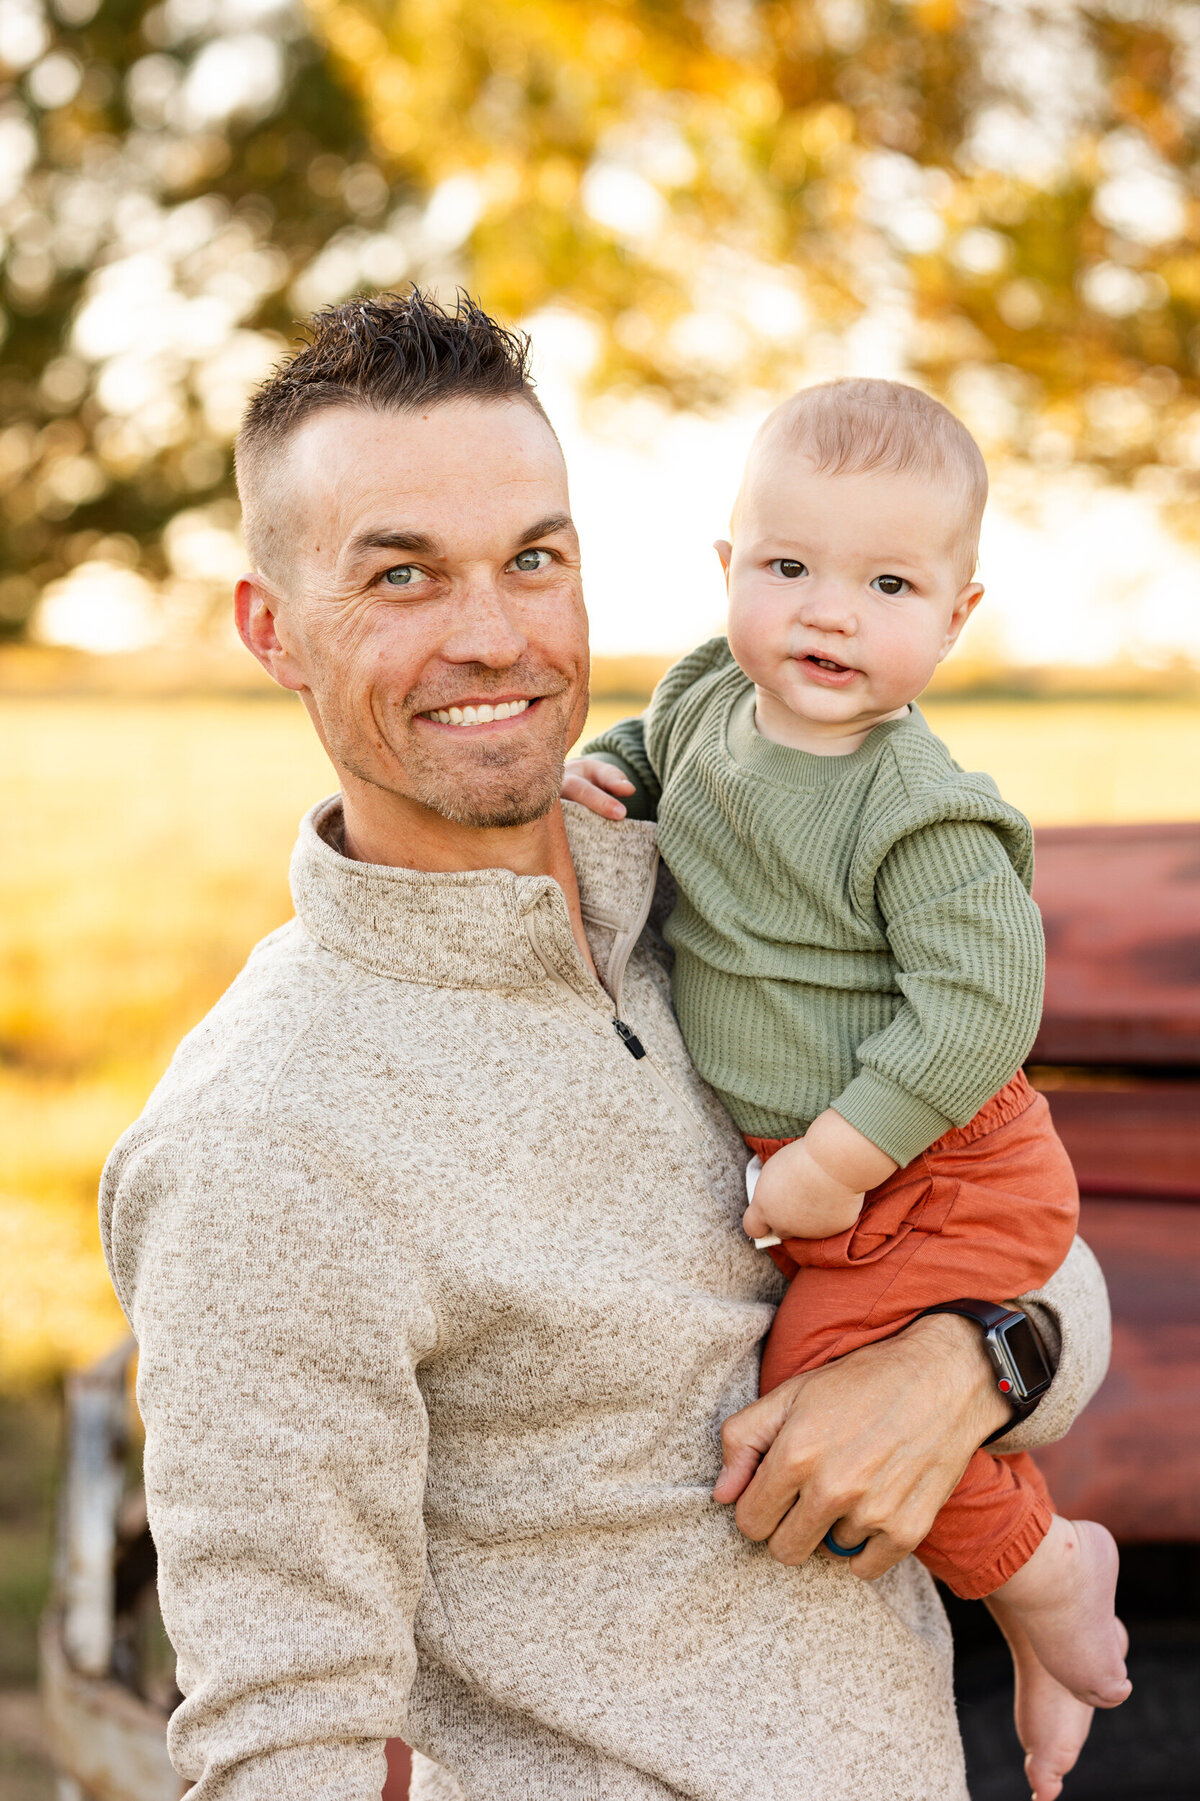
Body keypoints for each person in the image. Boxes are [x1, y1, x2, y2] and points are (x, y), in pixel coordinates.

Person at [100, 294, 1112, 1801]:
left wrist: (968, 1361)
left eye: (532, 557)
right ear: (273, 629)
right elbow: (279, 1751)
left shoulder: (716, 907)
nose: (492, 632)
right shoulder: (266, 1140)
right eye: (401, 576)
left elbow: (1059, 1269)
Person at [565, 378, 1130, 1801]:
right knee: (828, 1397)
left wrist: (837, 1152)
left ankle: (1049, 1577)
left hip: (939, 1159)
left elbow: (982, 1008)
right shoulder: (705, 697)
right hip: (826, 1166)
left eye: (887, 582)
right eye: (790, 566)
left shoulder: (918, 805)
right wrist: (607, 774)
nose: (829, 611)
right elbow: (651, 748)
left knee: (827, 1405)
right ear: (727, 570)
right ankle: (1021, 1578)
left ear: (956, 614)